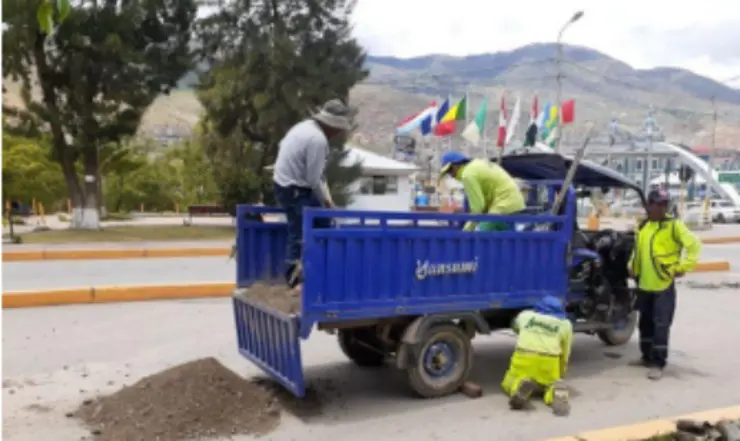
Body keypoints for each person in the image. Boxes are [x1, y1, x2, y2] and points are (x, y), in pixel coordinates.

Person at [273, 99, 356, 287]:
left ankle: (314, 274)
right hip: (295, 189)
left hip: (283, 184)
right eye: (338, 129)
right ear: (332, 126)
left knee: (318, 223)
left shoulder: (302, 127)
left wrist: (327, 200)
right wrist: (326, 203)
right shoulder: (317, 140)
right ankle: (296, 281)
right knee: (303, 231)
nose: (338, 134)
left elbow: (318, 176)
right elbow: (313, 180)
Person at [627, 189, 701, 380]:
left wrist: (684, 266)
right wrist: (631, 265)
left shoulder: (673, 226)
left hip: (663, 285)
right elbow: (638, 250)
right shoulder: (644, 227)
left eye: (664, 204)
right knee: (645, 324)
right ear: (649, 205)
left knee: (661, 325)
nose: (661, 207)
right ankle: (646, 356)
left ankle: (658, 363)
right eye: (658, 204)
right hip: (644, 284)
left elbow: (694, 245)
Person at [501, 295, 573, 417]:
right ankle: (555, 392)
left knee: (510, 380)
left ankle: (519, 387)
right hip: (549, 361)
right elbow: (565, 352)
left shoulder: (525, 316)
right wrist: (561, 375)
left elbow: (515, 327)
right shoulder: (565, 324)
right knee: (550, 383)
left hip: (524, 357)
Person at [438, 152, 526, 231]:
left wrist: (466, 230)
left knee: (479, 236)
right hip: (514, 203)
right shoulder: (477, 164)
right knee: (508, 243)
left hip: (502, 205)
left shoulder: (468, 175)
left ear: (456, 165)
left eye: (450, 170)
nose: (451, 175)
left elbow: (478, 208)